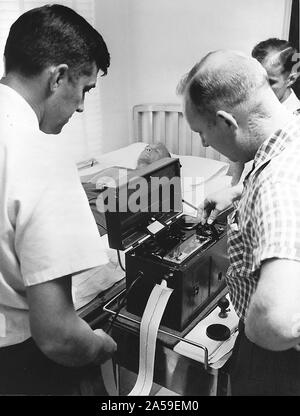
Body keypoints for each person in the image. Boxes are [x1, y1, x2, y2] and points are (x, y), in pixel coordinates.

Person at [0, 4, 117, 395]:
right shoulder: (40, 155)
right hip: (18, 365)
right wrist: (100, 346)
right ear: (59, 77)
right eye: (85, 89)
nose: (83, 106)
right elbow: (58, 337)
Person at [178, 50, 300, 395]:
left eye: (202, 131)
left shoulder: (279, 183)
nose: (203, 142)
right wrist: (242, 192)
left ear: (228, 122)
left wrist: (251, 333)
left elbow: (277, 321)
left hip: (275, 361)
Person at [231, 38, 300, 186]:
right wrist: (233, 186)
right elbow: (239, 158)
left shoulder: (295, 123)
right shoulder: (251, 104)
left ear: (291, 78)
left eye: (270, 82)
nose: (258, 90)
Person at [82, 142, 171, 236]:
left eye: (156, 151)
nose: (148, 150)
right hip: (81, 201)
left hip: (100, 214)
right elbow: (83, 186)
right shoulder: (115, 169)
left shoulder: (153, 184)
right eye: (147, 147)